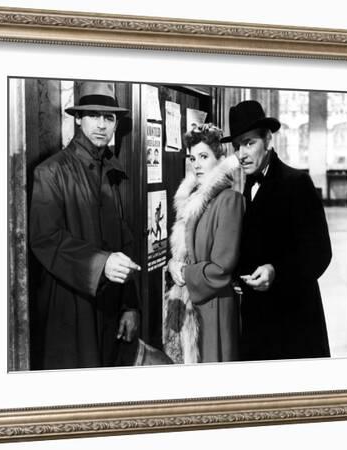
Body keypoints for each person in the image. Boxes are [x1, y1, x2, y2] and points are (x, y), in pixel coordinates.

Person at [29, 81, 141, 370]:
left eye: (109, 117)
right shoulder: (51, 171)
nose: (101, 125)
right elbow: (46, 238)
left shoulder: (115, 171)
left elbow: (125, 242)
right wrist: (100, 264)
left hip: (111, 308)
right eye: (93, 115)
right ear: (78, 118)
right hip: (70, 305)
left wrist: (130, 306)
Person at [221, 100, 332, 361]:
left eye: (249, 143)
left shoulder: (297, 183)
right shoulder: (246, 186)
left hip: (294, 322)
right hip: (256, 320)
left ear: (268, 140)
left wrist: (276, 272)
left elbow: (319, 254)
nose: (242, 154)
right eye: (237, 146)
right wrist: (237, 274)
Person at [164, 124, 244, 363]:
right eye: (192, 158)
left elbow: (222, 267)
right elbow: (186, 253)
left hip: (214, 306)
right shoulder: (192, 200)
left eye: (203, 156)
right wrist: (172, 265)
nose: (196, 164)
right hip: (190, 302)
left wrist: (184, 272)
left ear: (219, 159)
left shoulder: (229, 200)